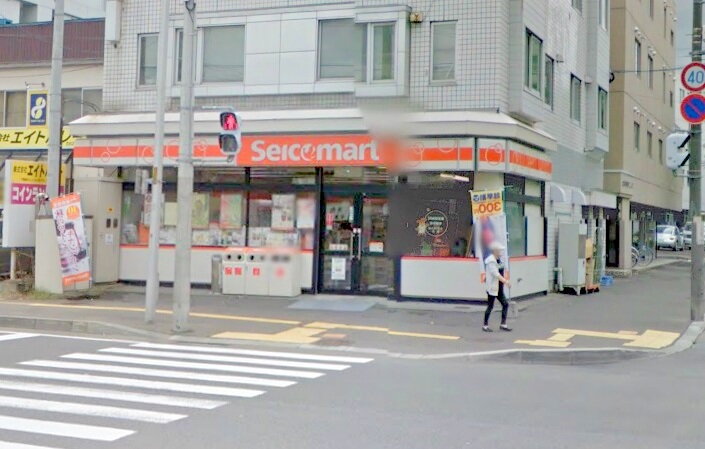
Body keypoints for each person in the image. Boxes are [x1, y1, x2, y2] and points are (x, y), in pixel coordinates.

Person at [483, 241, 512, 332]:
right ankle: (485, 325)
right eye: (499, 250)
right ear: (495, 251)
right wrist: (506, 281)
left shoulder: (498, 260)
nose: (501, 252)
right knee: (490, 306)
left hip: (499, 288)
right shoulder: (491, 261)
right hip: (493, 287)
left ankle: (503, 324)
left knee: (505, 304)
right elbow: (496, 274)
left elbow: (501, 270)